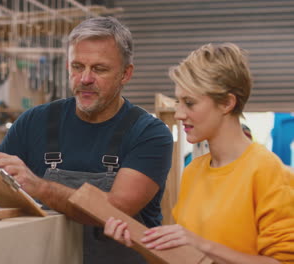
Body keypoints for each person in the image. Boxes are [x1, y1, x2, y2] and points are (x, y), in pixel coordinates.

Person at [0, 16, 174, 264]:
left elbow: (117, 209)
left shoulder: (149, 133)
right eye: (77, 66)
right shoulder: (32, 123)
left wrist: (40, 187)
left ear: (126, 74)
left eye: (99, 69)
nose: (85, 79)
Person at [104, 43, 294, 263]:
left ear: (227, 103)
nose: (179, 114)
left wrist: (200, 244)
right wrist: (137, 241)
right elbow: (187, 257)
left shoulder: (267, 171)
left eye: (189, 103)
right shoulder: (194, 170)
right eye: (178, 102)